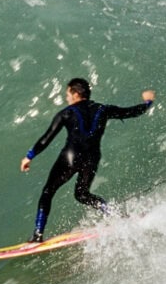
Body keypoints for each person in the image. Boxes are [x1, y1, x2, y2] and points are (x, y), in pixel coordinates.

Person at [21, 78, 155, 242]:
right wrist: (148, 102)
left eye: (68, 94)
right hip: (91, 159)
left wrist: (29, 156)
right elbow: (132, 112)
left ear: (76, 94)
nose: (67, 98)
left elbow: (45, 139)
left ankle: (37, 236)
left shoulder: (67, 113)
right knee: (82, 194)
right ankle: (116, 215)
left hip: (70, 158)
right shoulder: (103, 109)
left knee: (48, 192)